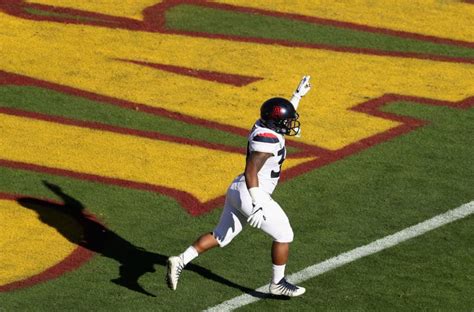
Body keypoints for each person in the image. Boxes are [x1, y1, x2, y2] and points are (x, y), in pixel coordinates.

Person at [166, 76, 311, 297]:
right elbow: (251, 170)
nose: (290, 125)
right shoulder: (267, 141)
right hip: (251, 191)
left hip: (238, 189)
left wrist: (296, 96)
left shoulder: (263, 126)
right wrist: (258, 202)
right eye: (287, 121)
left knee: (222, 235)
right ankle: (277, 283)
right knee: (284, 233)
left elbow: (278, 119)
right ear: (276, 123)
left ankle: (180, 260)